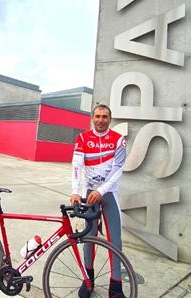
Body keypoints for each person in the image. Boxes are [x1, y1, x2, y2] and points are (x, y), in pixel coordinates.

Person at [70, 104, 126, 298]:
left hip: (109, 194)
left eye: (105, 116)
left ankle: (116, 286)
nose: (101, 120)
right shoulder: (83, 138)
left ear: (110, 119)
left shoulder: (118, 140)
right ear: (92, 118)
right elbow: (77, 165)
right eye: (97, 116)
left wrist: (101, 191)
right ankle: (88, 280)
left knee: (115, 241)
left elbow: (118, 169)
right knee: (89, 239)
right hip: (89, 194)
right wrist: (75, 192)